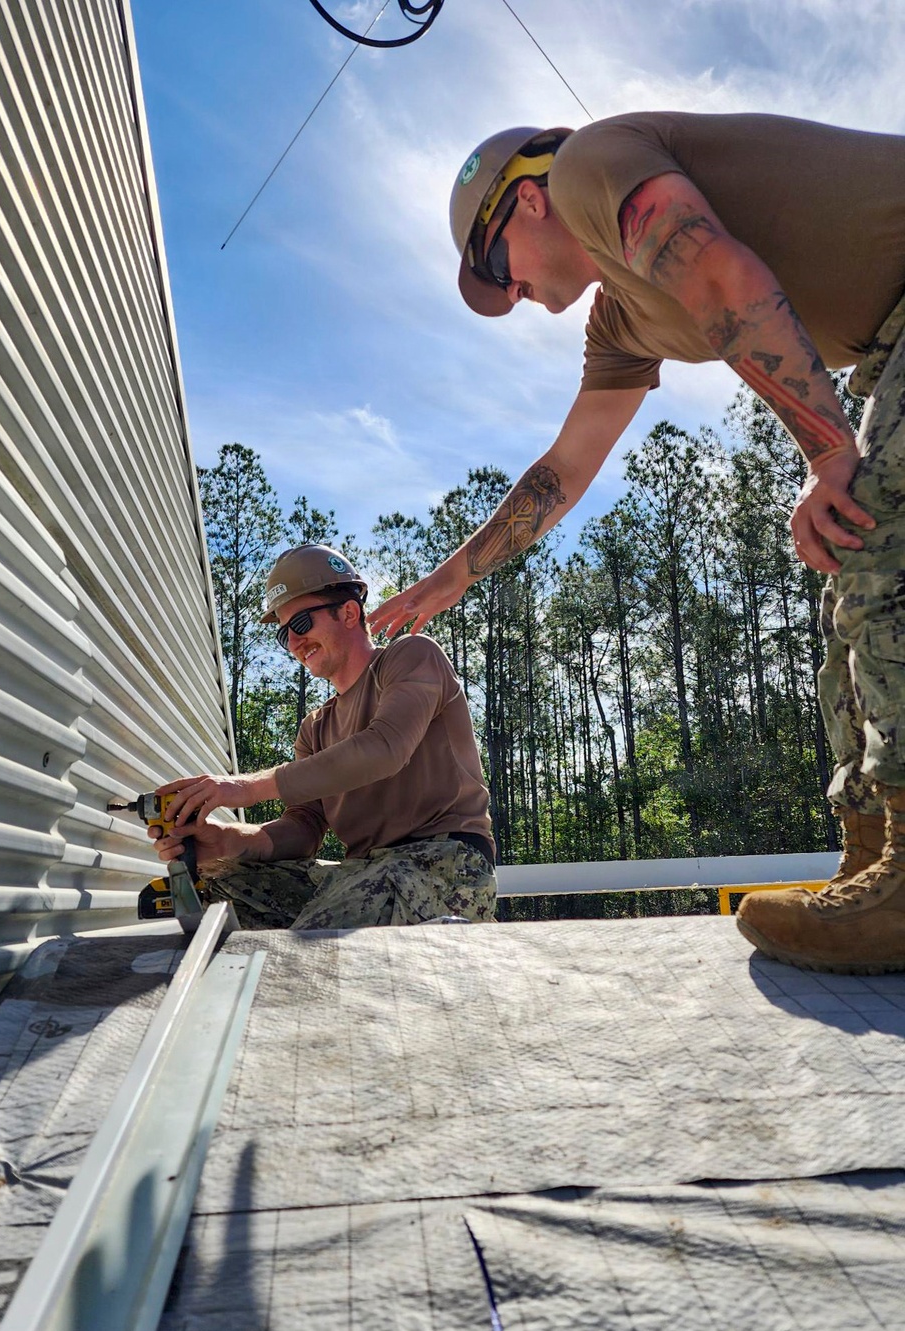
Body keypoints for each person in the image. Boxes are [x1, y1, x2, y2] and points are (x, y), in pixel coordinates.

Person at [368, 111, 905, 974]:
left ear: (532, 200)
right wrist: (451, 578)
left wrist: (831, 452)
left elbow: (723, 277)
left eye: (496, 266)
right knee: (853, 579)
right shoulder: (618, 326)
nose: (507, 298)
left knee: (874, 538)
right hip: (887, 343)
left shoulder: (589, 168)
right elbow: (564, 472)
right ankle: (875, 861)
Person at [150, 543, 497, 930]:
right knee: (215, 891)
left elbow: (386, 748)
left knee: (312, 943)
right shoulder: (315, 729)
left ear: (349, 612)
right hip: (362, 872)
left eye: (301, 624)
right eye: (285, 636)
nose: (295, 643)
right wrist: (230, 840)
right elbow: (304, 827)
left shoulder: (411, 657)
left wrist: (245, 789)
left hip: (446, 863)